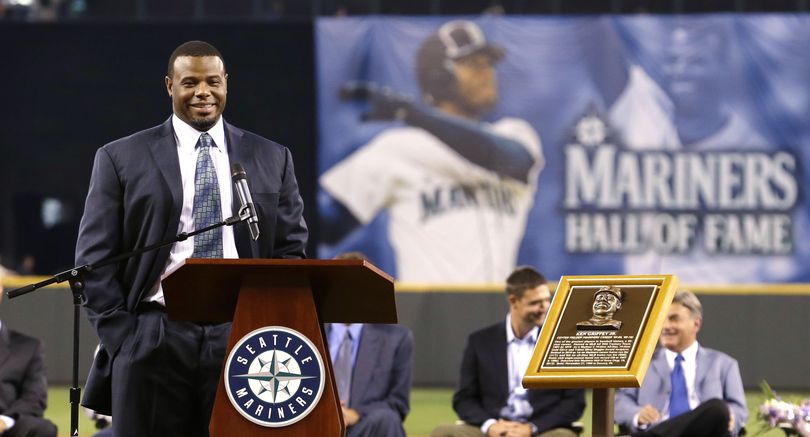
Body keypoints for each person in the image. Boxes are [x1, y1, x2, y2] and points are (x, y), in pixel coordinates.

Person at [74, 40, 308, 437]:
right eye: (190, 82)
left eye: (213, 81)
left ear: (226, 84)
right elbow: (94, 260)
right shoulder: (120, 157)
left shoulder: (272, 157)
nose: (203, 91)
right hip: (154, 334)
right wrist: (125, 339)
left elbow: (290, 254)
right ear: (170, 86)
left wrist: (268, 327)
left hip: (242, 337)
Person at [320, 20, 544, 284]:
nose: (488, 73)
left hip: (499, 316)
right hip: (428, 315)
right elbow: (328, 223)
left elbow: (514, 160)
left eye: (488, 64)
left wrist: (411, 113)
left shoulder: (514, 133)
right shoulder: (400, 147)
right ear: (439, 77)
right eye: (474, 65)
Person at [431, 266, 585, 437]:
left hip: (542, 430)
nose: (544, 307)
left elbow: (574, 402)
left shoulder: (560, 341)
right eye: (535, 303)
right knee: (443, 432)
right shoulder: (480, 341)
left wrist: (532, 428)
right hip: (494, 428)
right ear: (513, 301)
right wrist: (490, 426)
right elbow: (464, 399)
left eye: (546, 300)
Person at [614, 290, 747, 436]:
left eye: (674, 319)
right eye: (661, 319)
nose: (665, 326)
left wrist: (731, 416)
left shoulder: (724, 364)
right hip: (654, 427)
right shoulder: (641, 362)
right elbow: (619, 402)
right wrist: (637, 414)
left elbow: (739, 410)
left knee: (718, 409)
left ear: (696, 323)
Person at [325, 252, 413, 437]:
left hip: (363, 426)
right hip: (314, 425)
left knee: (388, 420)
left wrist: (356, 414)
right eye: (339, 283)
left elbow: (397, 403)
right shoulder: (307, 332)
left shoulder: (396, 339)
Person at [0, 277, 58, 437]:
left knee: (43, 429)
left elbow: (34, 399)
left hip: (6, 426)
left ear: (0, 290)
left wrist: (4, 421)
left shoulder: (28, 347)